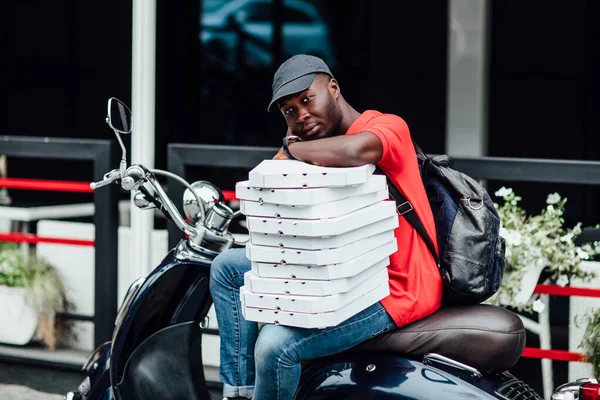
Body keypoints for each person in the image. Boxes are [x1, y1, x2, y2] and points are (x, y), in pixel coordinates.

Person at [209, 54, 442, 400]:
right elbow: (274, 184)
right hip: (337, 269)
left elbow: (357, 149)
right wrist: (292, 144)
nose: (302, 115)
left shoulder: (386, 126)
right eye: (290, 111)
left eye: (307, 99)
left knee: (275, 346)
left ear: (333, 88)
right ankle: (242, 391)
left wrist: (293, 146)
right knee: (226, 268)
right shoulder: (309, 145)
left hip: (396, 287)